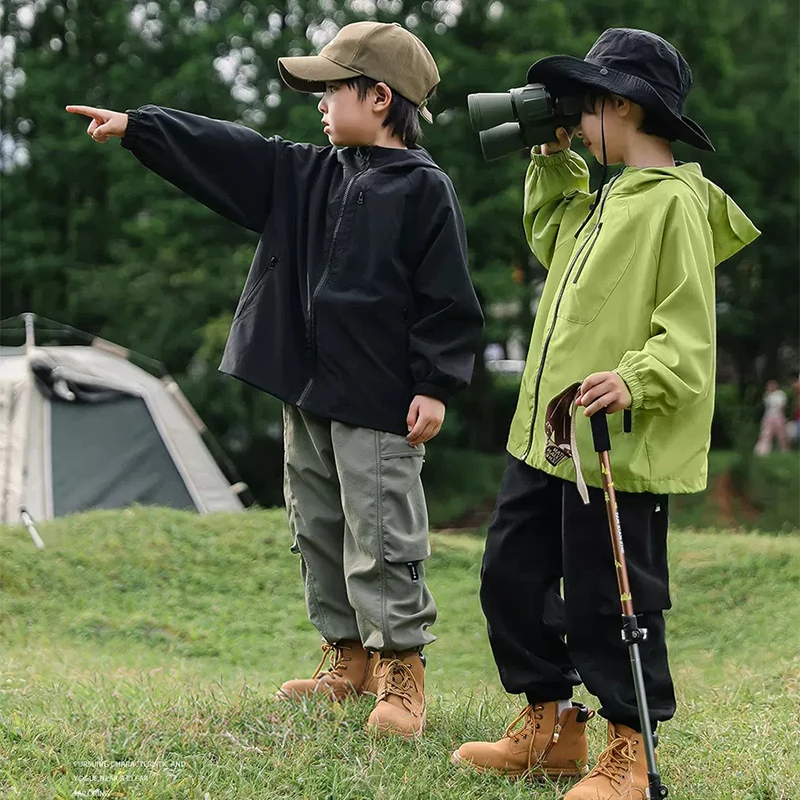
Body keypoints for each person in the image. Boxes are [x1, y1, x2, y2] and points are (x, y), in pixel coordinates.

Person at [66, 21, 483, 740]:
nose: (319, 105)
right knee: (316, 526)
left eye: (331, 90)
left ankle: (401, 671)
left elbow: (450, 299)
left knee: (381, 532)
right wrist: (142, 129)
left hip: (379, 399)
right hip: (305, 390)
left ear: (380, 98)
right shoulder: (305, 173)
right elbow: (230, 151)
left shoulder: (425, 191)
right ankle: (346, 659)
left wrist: (436, 383)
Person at [452, 28, 759, 797]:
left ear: (620, 106)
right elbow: (550, 240)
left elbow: (689, 334)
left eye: (584, 106)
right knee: (508, 576)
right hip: (546, 439)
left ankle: (629, 746)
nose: (576, 119)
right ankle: (551, 726)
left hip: (613, 444)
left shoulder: (676, 208)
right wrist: (553, 159)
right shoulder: (601, 201)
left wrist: (635, 377)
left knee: (610, 597)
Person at [754, 380, 789, 455]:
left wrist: (781, 415)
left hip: (778, 415)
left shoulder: (780, 394)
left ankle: (784, 449)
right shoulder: (767, 395)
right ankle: (763, 449)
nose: (769, 388)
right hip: (768, 416)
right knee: (766, 433)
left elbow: (782, 405)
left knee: (781, 434)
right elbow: (767, 406)